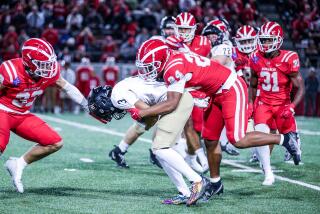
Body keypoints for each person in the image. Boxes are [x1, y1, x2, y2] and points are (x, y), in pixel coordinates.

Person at [127, 38, 301, 203]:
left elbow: (171, 104)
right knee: (210, 139)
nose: (146, 71)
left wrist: (141, 112)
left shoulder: (173, 68)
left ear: (162, 60)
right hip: (214, 91)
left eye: (150, 66)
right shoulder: (173, 58)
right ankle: (215, 183)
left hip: (230, 88)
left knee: (238, 139)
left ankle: (286, 139)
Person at [90, 82, 209, 206]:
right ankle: (185, 193)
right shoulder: (121, 89)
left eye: (103, 111)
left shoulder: (117, 97)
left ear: (104, 102)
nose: (109, 114)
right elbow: (152, 114)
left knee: (160, 148)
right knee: (159, 151)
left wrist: (142, 119)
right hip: (174, 99)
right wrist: (145, 121)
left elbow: (150, 113)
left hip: (175, 101)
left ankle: (197, 181)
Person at [0, 38, 92, 193]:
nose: (48, 68)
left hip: (23, 114)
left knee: (55, 142)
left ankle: (18, 164)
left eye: (49, 63)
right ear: (29, 62)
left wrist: (86, 105)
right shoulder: (10, 70)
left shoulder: (49, 72)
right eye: (43, 64)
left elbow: (65, 86)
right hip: (3, 110)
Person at [249, 21, 305, 185]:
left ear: (279, 40)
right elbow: (252, 83)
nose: (266, 43)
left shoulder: (289, 58)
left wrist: (292, 106)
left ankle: (294, 142)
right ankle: (268, 173)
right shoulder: (255, 56)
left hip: (282, 104)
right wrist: (251, 103)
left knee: (295, 154)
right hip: (264, 103)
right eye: (264, 39)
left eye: (269, 39)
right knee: (261, 134)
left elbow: (300, 87)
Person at [202, 19, 240, 156]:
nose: (211, 39)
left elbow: (216, 63)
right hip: (216, 89)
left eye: (214, 35)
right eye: (208, 36)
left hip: (228, 89)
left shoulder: (224, 46)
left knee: (238, 135)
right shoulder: (210, 47)